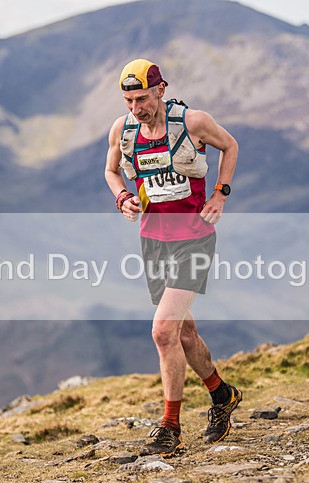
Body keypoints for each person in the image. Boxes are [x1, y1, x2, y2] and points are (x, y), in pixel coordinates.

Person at [104, 58, 241, 457]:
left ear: (161, 90)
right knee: (182, 333)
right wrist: (123, 196)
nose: (136, 108)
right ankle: (222, 395)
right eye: (129, 100)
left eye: (142, 98)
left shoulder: (193, 122)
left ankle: (170, 428)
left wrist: (220, 193)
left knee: (163, 331)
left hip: (194, 239)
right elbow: (112, 171)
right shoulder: (123, 128)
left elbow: (230, 146)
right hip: (153, 242)